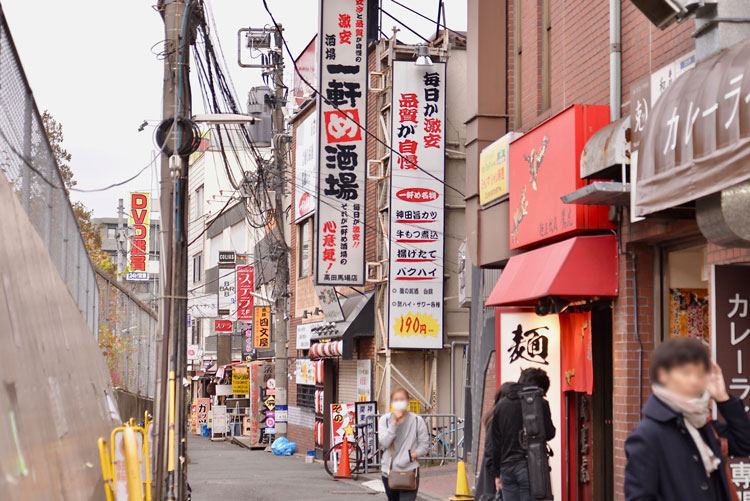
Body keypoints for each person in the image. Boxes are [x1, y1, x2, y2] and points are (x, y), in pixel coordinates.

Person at [625, 337, 750, 500]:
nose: (694, 380)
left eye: (699, 373)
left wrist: (722, 397)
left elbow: (744, 443)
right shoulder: (647, 435)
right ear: (663, 374)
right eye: (686, 373)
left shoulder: (700, 424)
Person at [490, 368, 556, 501]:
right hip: (530, 467)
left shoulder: (502, 405)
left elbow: (494, 443)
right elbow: (549, 433)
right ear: (539, 387)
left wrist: (497, 474)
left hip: (506, 469)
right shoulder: (540, 403)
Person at [378, 388, 430, 501]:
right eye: (396, 400)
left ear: (408, 402)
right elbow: (384, 443)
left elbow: (424, 445)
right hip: (389, 471)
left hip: (410, 471)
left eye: (402, 399)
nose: (399, 402)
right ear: (391, 403)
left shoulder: (417, 420)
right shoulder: (385, 420)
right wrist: (394, 424)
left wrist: (413, 455)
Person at [476, 382, 515, 501]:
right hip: (495, 469)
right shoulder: (499, 418)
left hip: (492, 467)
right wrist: (496, 474)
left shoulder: (494, 415)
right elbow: (491, 447)